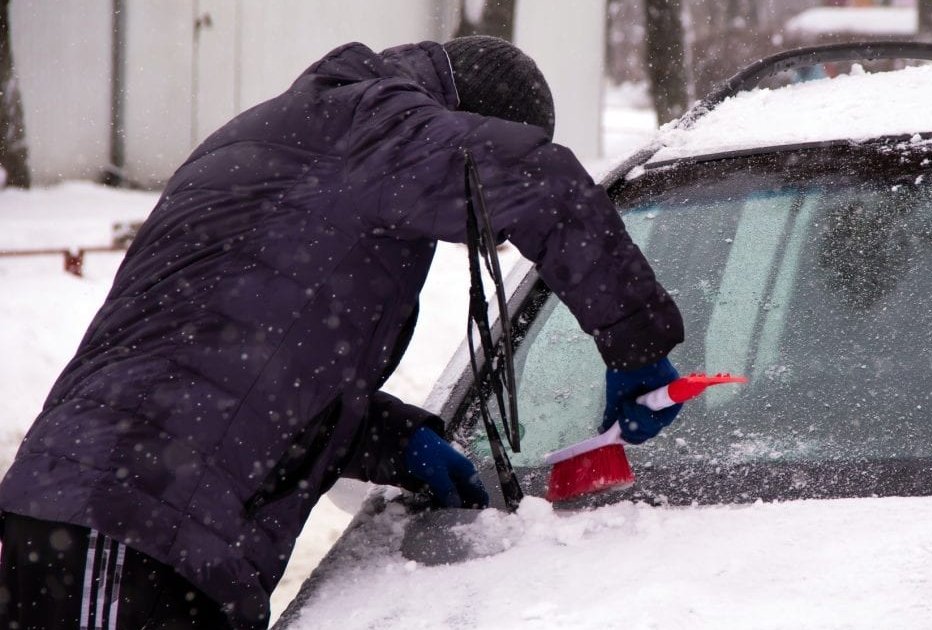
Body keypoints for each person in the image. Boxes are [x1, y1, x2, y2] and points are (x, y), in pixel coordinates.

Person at [0, 36, 684, 629]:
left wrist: (393, 442)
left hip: (118, 521)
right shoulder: (376, 127)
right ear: (463, 121)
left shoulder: (300, 140)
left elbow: (248, 364)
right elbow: (544, 183)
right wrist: (636, 345)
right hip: (123, 523)